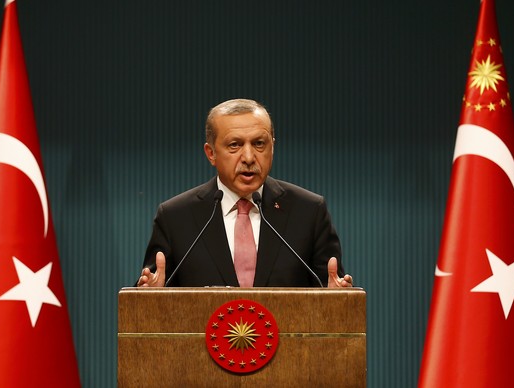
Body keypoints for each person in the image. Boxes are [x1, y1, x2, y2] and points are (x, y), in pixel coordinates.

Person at [137, 98, 353, 288]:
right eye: (235, 145)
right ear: (211, 153)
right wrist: (148, 296)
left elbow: (330, 292)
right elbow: (151, 299)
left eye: (259, 144)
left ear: (272, 148)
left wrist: (339, 298)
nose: (249, 157)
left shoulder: (308, 212)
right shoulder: (176, 217)